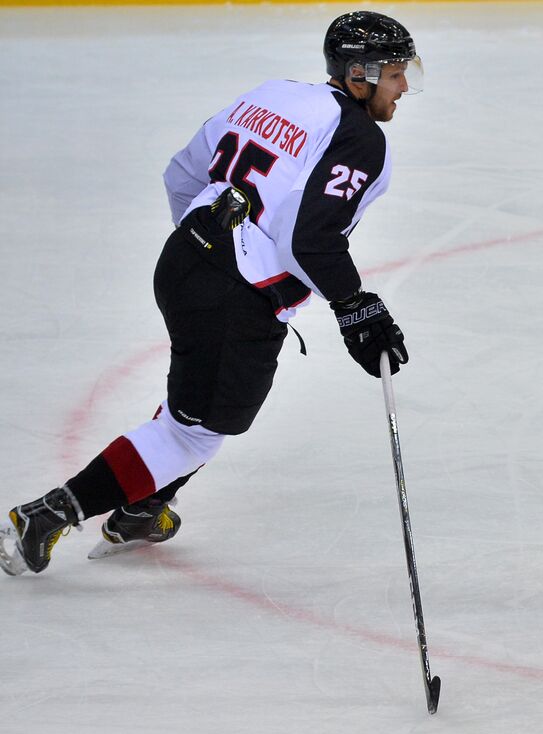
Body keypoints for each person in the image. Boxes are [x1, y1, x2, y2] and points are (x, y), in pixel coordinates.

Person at [1, 11, 422, 577]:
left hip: (180, 264)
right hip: (234, 296)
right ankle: (50, 513)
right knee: (196, 433)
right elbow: (312, 240)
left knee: (198, 410)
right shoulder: (362, 140)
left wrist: (204, 248)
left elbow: (181, 174)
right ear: (357, 74)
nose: (404, 88)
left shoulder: (272, 96)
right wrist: (357, 310)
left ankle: (144, 508)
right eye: (394, 74)